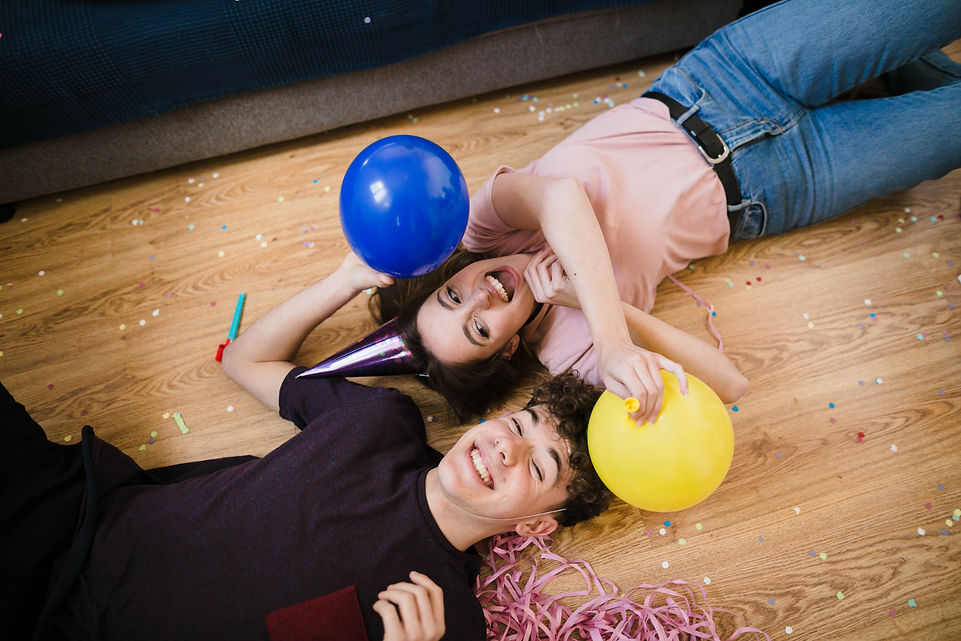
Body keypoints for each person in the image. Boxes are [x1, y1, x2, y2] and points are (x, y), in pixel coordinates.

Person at [371, 0, 961, 424]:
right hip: (781, 187)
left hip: (728, 80)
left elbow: (562, 199)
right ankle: (889, 71)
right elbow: (732, 385)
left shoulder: (480, 227)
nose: (482, 299)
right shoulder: (565, 352)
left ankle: (882, 64)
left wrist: (612, 338)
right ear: (503, 350)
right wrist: (596, 312)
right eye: (478, 328)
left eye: (453, 296)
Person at [0, 252, 611, 641]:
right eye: (522, 424)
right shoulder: (380, 421)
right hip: (68, 510)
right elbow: (246, 359)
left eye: (540, 465)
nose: (509, 447)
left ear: (535, 525)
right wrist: (346, 277)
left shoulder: (447, 625)